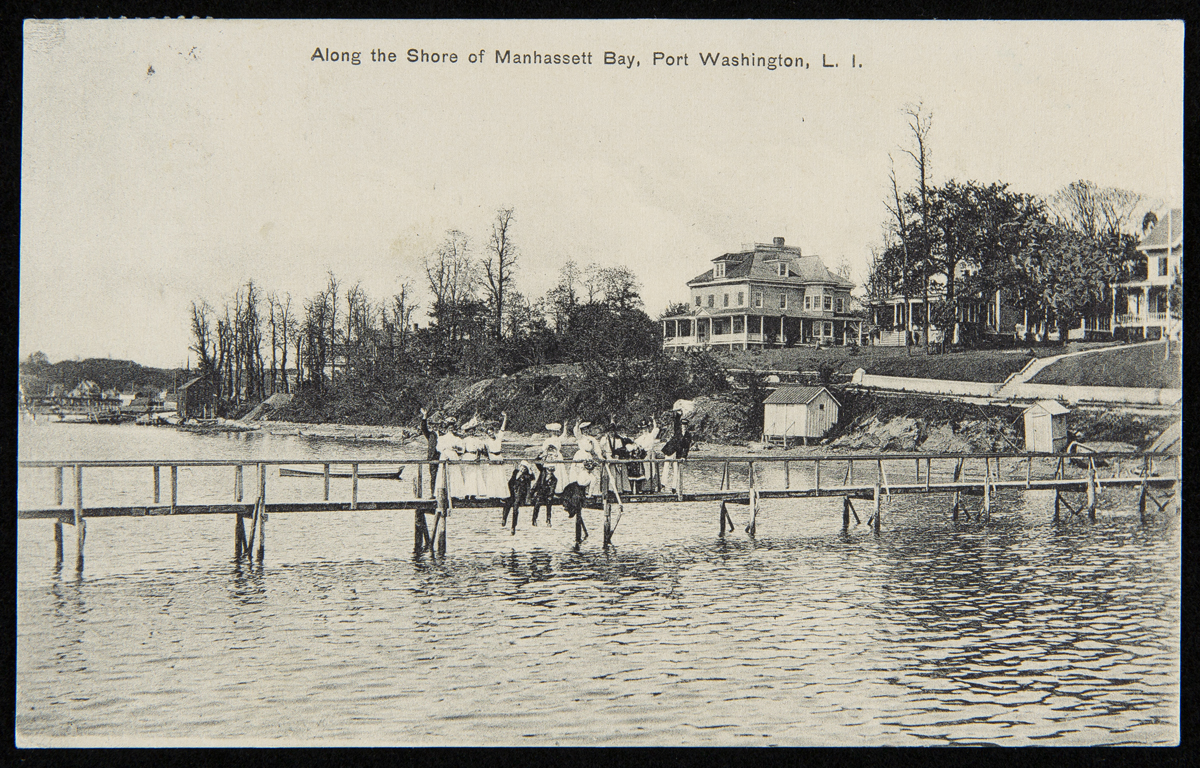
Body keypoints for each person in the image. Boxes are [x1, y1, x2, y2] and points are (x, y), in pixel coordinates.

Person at [501, 458, 536, 533]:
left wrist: (530, 471)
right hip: (512, 493)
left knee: (515, 510)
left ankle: (513, 527)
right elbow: (510, 482)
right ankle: (504, 518)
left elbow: (533, 478)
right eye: (522, 467)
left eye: (525, 468)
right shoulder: (515, 472)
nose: (523, 469)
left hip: (519, 496)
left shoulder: (526, 476)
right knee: (507, 505)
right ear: (520, 467)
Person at [662, 408, 693, 492]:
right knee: (666, 467)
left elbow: (686, 447)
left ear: (687, 426)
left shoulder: (688, 436)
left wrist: (683, 456)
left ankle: (674, 487)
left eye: (685, 426)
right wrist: (678, 414)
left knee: (676, 470)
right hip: (670, 450)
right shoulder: (677, 431)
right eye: (683, 425)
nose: (684, 427)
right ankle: (663, 484)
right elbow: (676, 423)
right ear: (681, 425)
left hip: (678, 453)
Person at [435, 417, 466, 497]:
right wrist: (444, 452)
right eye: (449, 427)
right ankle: (443, 493)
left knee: (454, 473)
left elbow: (462, 449)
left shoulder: (457, 438)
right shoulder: (442, 438)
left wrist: (456, 448)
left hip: (453, 456)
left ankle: (455, 493)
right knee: (443, 473)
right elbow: (438, 448)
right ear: (446, 428)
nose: (451, 429)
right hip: (445, 455)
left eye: (452, 427)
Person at [483, 412, 510, 499]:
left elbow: (503, 428)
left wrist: (505, 417)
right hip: (492, 457)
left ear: (494, 432)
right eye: (489, 433)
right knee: (492, 476)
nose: (491, 434)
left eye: (491, 432)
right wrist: (488, 458)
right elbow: (485, 451)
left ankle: (501, 495)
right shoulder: (487, 441)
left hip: (499, 456)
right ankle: (492, 496)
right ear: (487, 434)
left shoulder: (498, 438)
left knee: (500, 476)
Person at [632, 416, 660, 493]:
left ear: (648, 428)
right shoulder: (640, 438)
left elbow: (656, 429)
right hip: (645, 454)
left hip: (651, 453)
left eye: (646, 428)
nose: (644, 430)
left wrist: (653, 420)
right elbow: (635, 444)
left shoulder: (651, 435)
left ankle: (654, 487)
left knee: (653, 470)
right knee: (646, 470)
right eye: (643, 429)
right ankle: (647, 487)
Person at [418, 407, 441, 497]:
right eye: (433, 425)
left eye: (437, 425)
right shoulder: (430, 435)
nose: (435, 426)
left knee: (442, 476)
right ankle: (433, 494)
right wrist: (425, 416)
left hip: (442, 457)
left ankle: (443, 494)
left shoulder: (443, 434)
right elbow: (423, 428)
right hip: (432, 458)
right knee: (433, 476)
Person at [530, 455, 558, 527]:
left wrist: (550, 496)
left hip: (547, 493)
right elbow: (537, 462)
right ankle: (534, 519)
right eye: (549, 470)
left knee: (549, 504)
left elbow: (552, 489)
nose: (550, 472)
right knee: (537, 504)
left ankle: (548, 519)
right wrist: (540, 456)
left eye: (552, 470)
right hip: (540, 491)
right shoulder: (543, 472)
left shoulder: (554, 479)